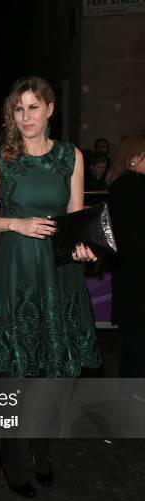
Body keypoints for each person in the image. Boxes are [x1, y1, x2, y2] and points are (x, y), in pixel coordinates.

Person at [0, 76, 101, 497]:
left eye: (33, 107)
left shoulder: (70, 157)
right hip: (15, 267)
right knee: (12, 367)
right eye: (18, 109)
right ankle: (10, 452)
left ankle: (40, 445)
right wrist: (16, 224)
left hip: (56, 272)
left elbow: (76, 219)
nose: (25, 117)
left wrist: (82, 248)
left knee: (50, 366)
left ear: (50, 110)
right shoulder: (0, 157)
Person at [106, 133, 145, 377]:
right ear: (133, 158)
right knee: (136, 351)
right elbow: (133, 235)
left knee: (134, 349)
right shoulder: (128, 188)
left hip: (132, 280)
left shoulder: (122, 187)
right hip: (137, 280)